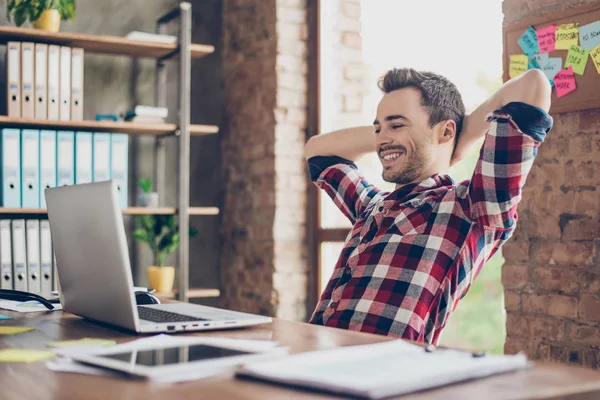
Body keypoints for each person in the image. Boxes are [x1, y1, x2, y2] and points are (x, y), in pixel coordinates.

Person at [304, 68, 552, 344]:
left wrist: (464, 133)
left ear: (446, 130)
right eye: (378, 128)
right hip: (313, 362)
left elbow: (533, 85)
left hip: (383, 376)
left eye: (397, 124)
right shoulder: (372, 206)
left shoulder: (472, 208)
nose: (381, 139)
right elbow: (317, 151)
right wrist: (393, 135)